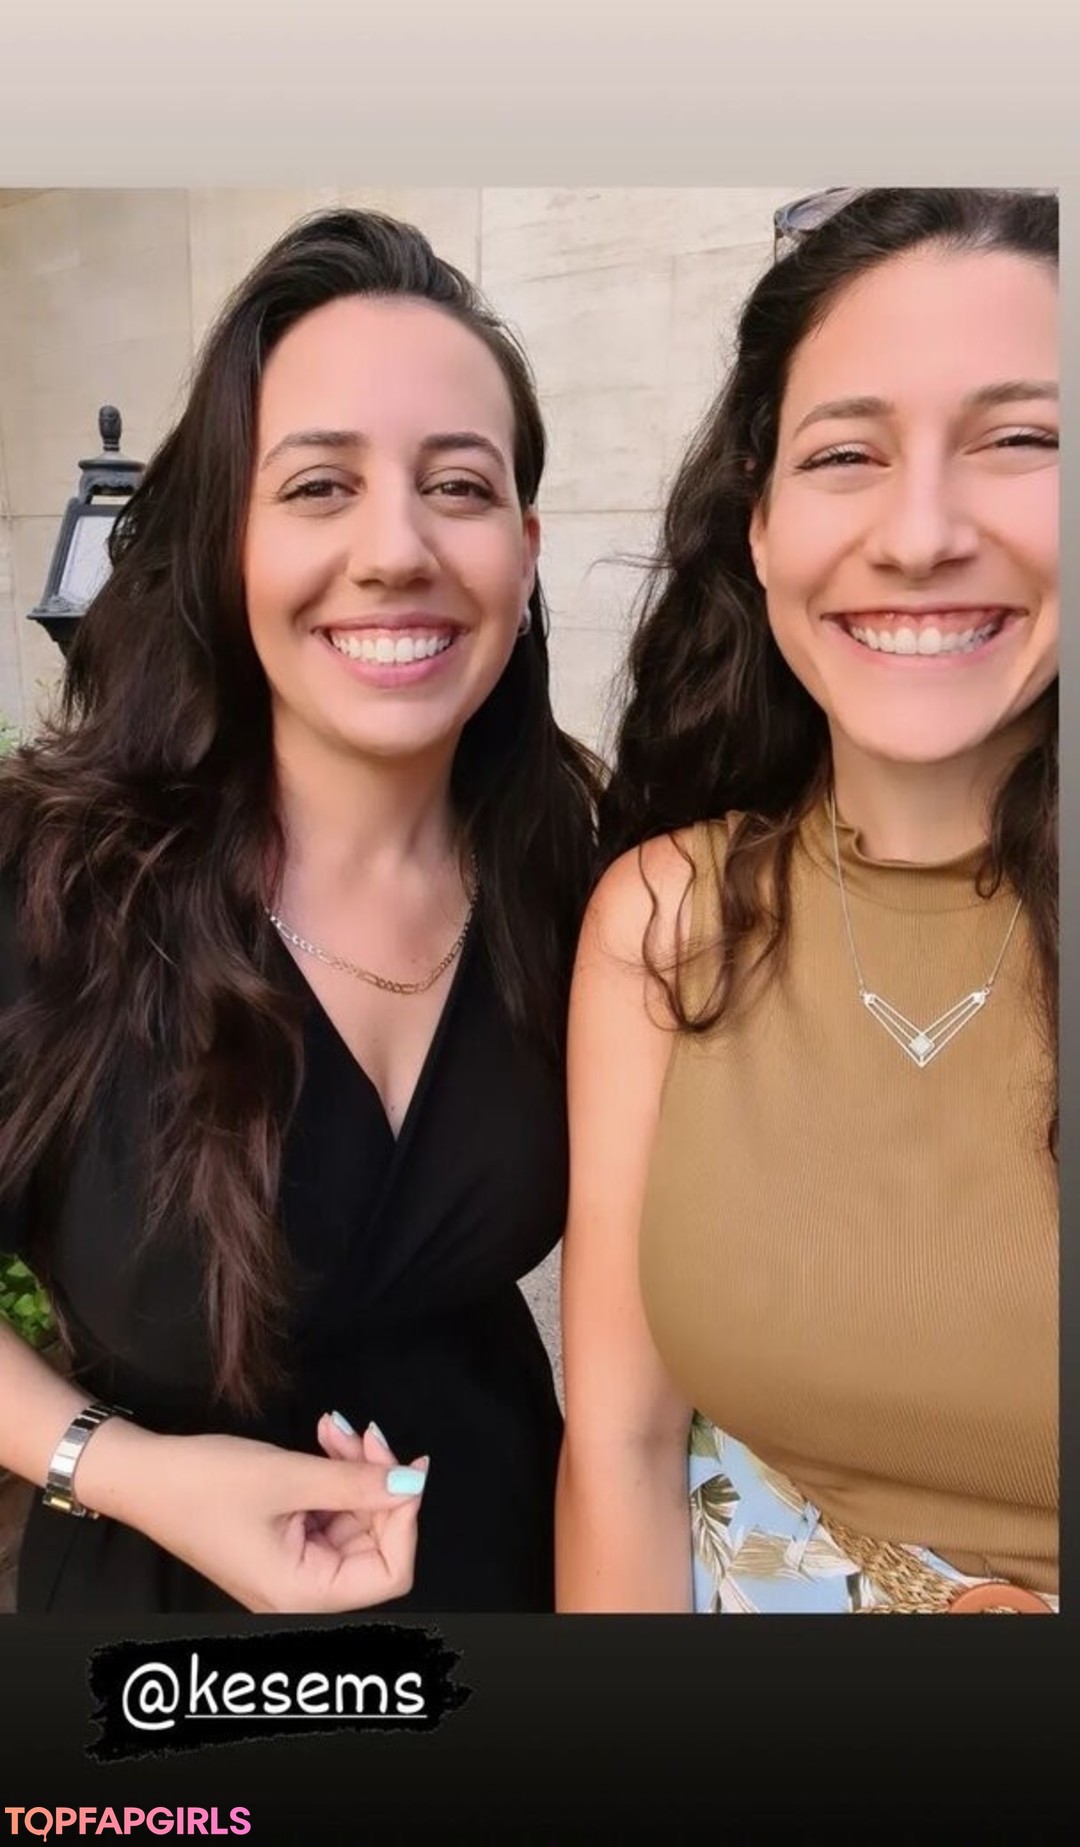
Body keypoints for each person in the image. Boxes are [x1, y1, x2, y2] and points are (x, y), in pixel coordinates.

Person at [0, 208, 598, 1615]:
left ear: (524, 547)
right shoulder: (50, 879)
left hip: (513, 1579)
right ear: (227, 542)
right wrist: (121, 1467)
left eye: (457, 486)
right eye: (320, 485)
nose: (396, 550)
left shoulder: (574, 870)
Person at [556, 188, 1058, 1614]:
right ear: (761, 526)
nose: (920, 534)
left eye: (1023, 440)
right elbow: (621, 1452)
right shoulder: (666, 920)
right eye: (845, 454)